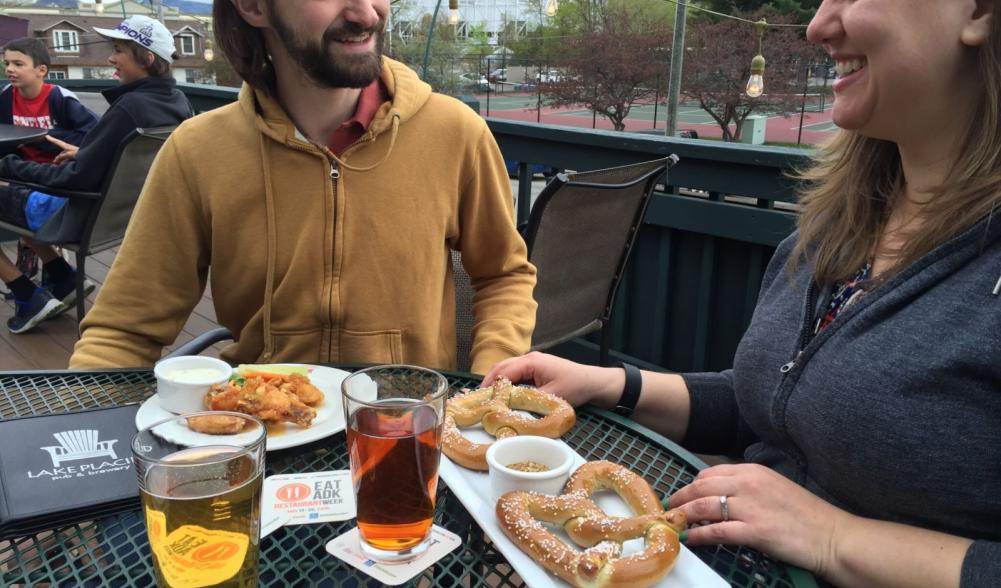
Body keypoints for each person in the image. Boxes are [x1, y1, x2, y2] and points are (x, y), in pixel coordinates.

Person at [485, 1, 1000, 586]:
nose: (817, 25)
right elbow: (774, 409)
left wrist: (835, 538)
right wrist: (616, 384)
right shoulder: (836, 227)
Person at [68, 0, 537, 372]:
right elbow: (122, 333)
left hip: (405, 438)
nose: (366, 11)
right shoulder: (196, 151)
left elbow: (503, 275)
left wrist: (486, 383)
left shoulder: (454, 132)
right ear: (253, 7)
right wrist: (71, 445)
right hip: (260, 440)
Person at [0, 16, 193, 334]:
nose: (110, 58)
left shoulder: (129, 107)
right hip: (118, 215)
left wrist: (8, 165)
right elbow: (116, 158)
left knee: (10, 193)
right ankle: (61, 277)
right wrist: (84, 154)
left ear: (145, 58)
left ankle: (27, 297)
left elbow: (71, 180)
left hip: (74, 213)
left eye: (118, 50)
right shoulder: (177, 102)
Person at [1, 37, 99, 162]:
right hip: (17, 168)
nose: (9, 69)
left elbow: (94, 133)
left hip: (57, 169)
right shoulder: (4, 96)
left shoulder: (60, 98)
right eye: (7, 63)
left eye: (18, 64)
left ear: (41, 70)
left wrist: (37, 139)